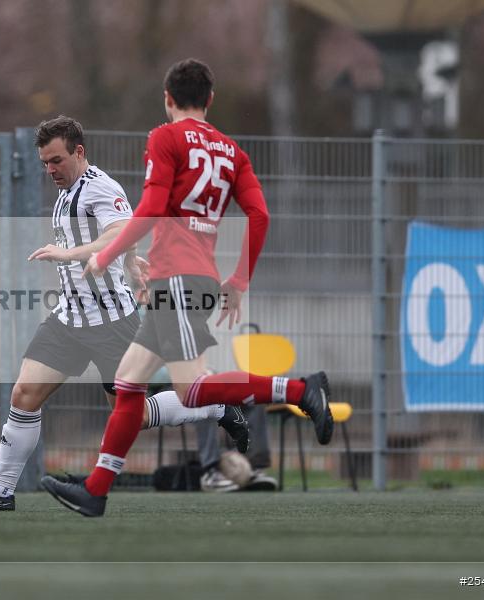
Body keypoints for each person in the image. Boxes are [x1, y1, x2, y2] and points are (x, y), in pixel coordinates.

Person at [41, 59, 333, 517]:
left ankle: (300, 390)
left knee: (193, 389)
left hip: (178, 277)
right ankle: (96, 491)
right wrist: (238, 279)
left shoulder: (165, 136)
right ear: (210, 100)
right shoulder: (232, 151)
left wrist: (105, 253)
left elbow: (154, 206)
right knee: (128, 384)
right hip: (188, 275)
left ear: (168, 98)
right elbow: (260, 215)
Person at [0, 115, 248, 511]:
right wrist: (133, 263)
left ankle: (217, 406)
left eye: (57, 161)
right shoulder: (68, 189)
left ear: (79, 152)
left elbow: (120, 228)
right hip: (69, 318)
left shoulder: (100, 186)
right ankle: (1, 492)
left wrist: (70, 254)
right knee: (24, 393)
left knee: (138, 414)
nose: (50, 170)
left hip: (111, 320)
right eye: (45, 163)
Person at [196, 404, 278, 492]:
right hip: (187, 397)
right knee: (207, 399)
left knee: (253, 397)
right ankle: (211, 471)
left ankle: (253, 467)